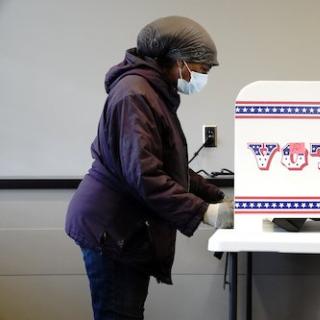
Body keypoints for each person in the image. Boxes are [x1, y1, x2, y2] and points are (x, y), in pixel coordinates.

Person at [65, 16, 233, 320]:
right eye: (201, 70)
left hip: (123, 226)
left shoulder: (152, 92)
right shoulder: (135, 94)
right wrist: (204, 212)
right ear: (179, 61)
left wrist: (215, 197)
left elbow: (170, 165)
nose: (202, 78)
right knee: (119, 314)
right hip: (111, 227)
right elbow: (145, 176)